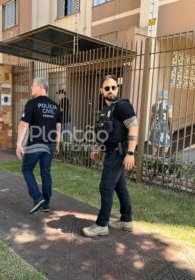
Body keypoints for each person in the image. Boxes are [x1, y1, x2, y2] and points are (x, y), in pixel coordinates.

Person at [82, 75, 138, 237]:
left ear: (117, 89)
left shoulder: (123, 106)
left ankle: (101, 225)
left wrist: (130, 153)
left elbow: (134, 127)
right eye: (107, 88)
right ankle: (126, 220)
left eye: (114, 87)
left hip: (118, 154)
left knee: (106, 187)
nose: (111, 91)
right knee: (120, 187)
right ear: (102, 91)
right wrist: (97, 148)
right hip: (111, 152)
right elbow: (104, 132)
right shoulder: (106, 109)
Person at [16, 78, 61, 214]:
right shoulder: (55, 105)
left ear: (41, 87)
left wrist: (19, 144)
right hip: (50, 144)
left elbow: (24, 124)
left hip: (36, 143)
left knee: (26, 169)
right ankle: (46, 204)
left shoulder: (32, 104)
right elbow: (58, 126)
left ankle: (37, 197)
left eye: (33, 86)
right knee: (45, 172)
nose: (31, 88)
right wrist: (57, 143)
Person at [148, 90, 173, 156]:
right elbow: (170, 117)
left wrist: (150, 126)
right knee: (165, 143)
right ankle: (163, 158)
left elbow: (152, 117)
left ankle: (153, 158)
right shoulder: (168, 105)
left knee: (155, 142)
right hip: (164, 126)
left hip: (155, 126)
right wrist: (171, 127)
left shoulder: (154, 105)